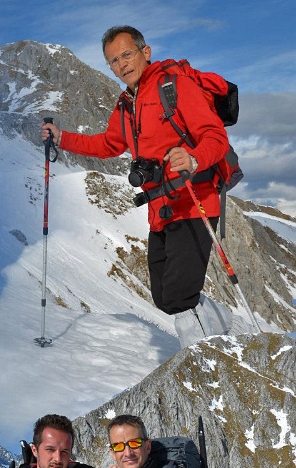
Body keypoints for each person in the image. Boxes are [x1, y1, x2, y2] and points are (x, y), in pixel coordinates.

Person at [41, 25, 234, 349]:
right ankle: (223, 323)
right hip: (161, 209)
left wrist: (193, 158)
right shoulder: (125, 105)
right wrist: (62, 138)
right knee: (163, 297)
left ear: (145, 52)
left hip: (194, 201)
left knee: (178, 295)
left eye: (127, 54)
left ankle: (208, 360)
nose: (121, 65)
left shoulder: (175, 86)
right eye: (113, 61)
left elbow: (215, 137)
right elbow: (107, 144)